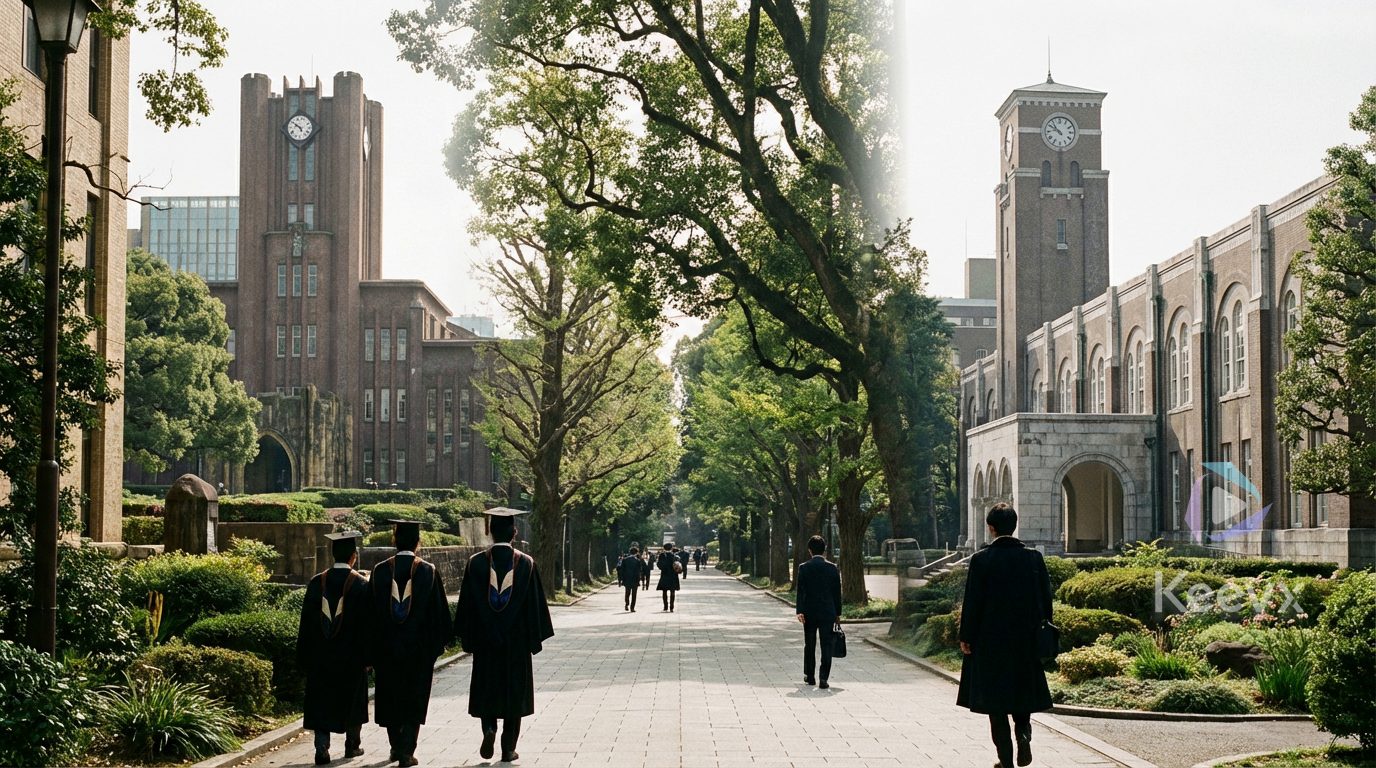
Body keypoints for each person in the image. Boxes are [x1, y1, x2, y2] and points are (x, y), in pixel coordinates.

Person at [956, 503, 1054, 768]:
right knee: (1022, 693)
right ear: (1014, 525)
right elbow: (1046, 599)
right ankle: (1023, 733)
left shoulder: (982, 559)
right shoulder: (1033, 557)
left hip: (990, 642)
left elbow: (973, 602)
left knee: (996, 705)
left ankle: (1005, 762)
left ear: (991, 528)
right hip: (1026, 639)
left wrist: (967, 636)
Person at [455, 508, 555, 763]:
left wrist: (471, 637)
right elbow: (535, 607)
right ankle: (508, 748)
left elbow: (466, 605)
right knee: (514, 692)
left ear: (489, 531)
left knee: (487, 688)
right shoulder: (527, 564)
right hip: (516, 644)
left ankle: (489, 729)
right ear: (514, 532)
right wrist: (534, 639)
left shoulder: (475, 563)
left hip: (487, 642)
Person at [369, 520, 455, 766]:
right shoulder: (428, 571)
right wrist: (434, 649)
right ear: (418, 542)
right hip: (418, 652)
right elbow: (439, 616)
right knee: (414, 697)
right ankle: (407, 750)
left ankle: (395, 747)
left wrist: (373, 649)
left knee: (390, 696)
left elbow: (371, 615)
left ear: (394, 541)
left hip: (387, 649)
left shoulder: (379, 571)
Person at [296, 531, 371, 765]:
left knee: (321, 700)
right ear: (353, 556)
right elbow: (368, 626)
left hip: (321, 657)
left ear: (331, 554)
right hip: (352, 657)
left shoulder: (316, 582)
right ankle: (352, 745)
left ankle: (322, 748)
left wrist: (304, 656)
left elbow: (306, 623)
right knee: (354, 699)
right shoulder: (361, 585)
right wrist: (369, 658)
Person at [794, 535, 842, 689]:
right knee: (826, 645)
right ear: (825, 549)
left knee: (810, 644)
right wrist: (837, 613)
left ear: (810, 551)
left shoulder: (804, 567)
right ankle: (823, 678)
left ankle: (810, 676)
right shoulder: (832, 568)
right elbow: (837, 592)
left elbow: (801, 591)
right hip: (828, 611)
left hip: (809, 611)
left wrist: (800, 610)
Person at [655, 544, 681, 611]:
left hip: (665, 574)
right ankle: (672, 607)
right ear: (671, 548)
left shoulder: (662, 555)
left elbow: (659, 565)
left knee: (664, 591)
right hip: (673, 575)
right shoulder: (674, 556)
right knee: (672, 592)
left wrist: (663, 568)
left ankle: (665, 606)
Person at [618, 547, 644, 611]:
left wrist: (620, 580)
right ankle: (632, 607)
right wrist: (640, 579)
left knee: (627, 592)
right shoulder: (637, 561)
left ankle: (626, 604)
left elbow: (622, 570)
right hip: (634, 579)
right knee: (634, 594)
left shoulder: (625, 560)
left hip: (627, 579)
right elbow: (639, 571)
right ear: (636, 553)